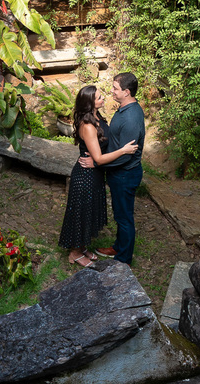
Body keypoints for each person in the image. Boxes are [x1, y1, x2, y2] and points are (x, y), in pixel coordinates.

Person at [57, 85, 140, 268]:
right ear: (89, 104)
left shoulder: (97, 117)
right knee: (81, 214)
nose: (104, 98)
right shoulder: (87, 126)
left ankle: (83, 247)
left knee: (89, 213)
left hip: (94, 175)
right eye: (99, 98)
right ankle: (75, 253)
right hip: (85, 176)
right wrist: (123, 151)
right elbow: (99, 158)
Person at [104, 72, 146, 266]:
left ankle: (123, 260)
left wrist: (99, 163)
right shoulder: (124, 108)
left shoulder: (130, 119)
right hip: (119, 174)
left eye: (115, 88)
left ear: (127, 92)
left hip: (124, 174)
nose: (111, 91)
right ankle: (118, 247)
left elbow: (125, 155)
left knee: (124, 217)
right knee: (120, 214)